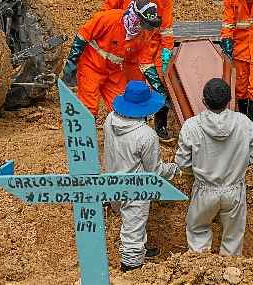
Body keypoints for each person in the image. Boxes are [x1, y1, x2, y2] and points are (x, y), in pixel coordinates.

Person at [175, 78, 253, 256]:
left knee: (198, 231)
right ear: (229, 100)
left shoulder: (191, 126)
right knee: (233, 237)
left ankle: (200, 272)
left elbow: (183, 163)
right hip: (234, 189)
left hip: (204, 190)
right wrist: (236, 167)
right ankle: (229, 274)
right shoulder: (245, 123)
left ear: (204, 101)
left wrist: (197, 171)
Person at [103, 80, 180, 272]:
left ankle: (141, 250)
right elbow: (155, 172)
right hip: (135, 189)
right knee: (132, 231)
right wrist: (175, 169)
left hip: (112, 181)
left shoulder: (110, 119)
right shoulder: (146, 135)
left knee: (131, 223)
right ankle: (131, 269)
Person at [60, 0, 161, 118]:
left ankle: (120, 134)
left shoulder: (144, 35)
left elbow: (145, 63)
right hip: (91, 66)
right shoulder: (109, 19)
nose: (144, 28)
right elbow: (83, 36)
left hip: (114, 71)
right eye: (143, 23)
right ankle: (86, 134)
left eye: (147, 25)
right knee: (88, 109)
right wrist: (71, 63)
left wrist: (158, 87)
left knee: (123, 107)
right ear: (134, 16)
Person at [100, 0, 175, 142]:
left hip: (154, 45)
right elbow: (107, 13)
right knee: (134, 86)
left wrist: (166, 52)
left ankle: (160, 125)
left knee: (163, 86)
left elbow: (166, 28)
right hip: (131, 44)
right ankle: (136, 125)